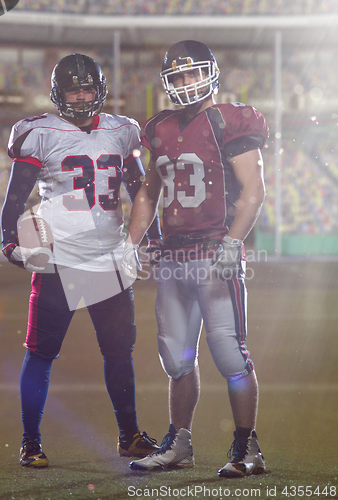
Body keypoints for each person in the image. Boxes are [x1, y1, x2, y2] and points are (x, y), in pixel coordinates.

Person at [0, 53, 161, 468]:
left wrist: (153, 236)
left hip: (109, 258)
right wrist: (9, 240)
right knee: (41, 353)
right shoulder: (40, 132)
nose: (82, 95)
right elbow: (16, 195)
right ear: (59, 93)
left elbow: (141, 189)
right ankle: (30, 441)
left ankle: (129, 436)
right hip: (59, 260)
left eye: (88, 87)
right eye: (74, 88)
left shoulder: (122, 131)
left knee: (119, 353)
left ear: (100, 89)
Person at [124, 40, 269, 477]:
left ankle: (248, 448)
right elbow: (149, 192)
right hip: (173, 256)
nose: (187, 83)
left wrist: (232, 242)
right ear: (168, 82)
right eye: (179, 76)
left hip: (214, 253)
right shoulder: (160, 128)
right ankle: (179, 444)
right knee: (177, 358)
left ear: (211, 73)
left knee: (229, 354)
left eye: (193, 73)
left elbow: (253, 189)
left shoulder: (230, 120)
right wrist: (129, 245)